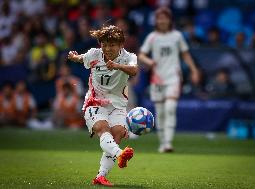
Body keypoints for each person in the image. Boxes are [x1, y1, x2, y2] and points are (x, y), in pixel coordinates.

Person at [67, 25, 138, 186]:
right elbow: (81, 58)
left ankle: (101, 176)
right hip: (95, 101)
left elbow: (134, 71)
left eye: (112, 45)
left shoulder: (129, 57)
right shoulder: (94, 54)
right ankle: (120, 155)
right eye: (104, 44)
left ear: (121, 45)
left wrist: (118, 66)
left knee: (118, 133)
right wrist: (74, 57)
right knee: (102, 129)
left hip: (118, 104)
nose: (107, 48)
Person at [138, 7, 199, 153]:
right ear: (156, 21)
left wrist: (194, 70)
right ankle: (163, 142)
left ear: (170, 19)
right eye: (159, 18)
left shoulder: (177, 36)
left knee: (170, 108)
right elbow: (141, 55)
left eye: (165, 17)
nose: (162, 20)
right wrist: (149, 61)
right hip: (158, 78)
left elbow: (185, 54)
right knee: (160, 111)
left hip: (173, 77)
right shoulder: (152, 37)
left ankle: (169, 143)